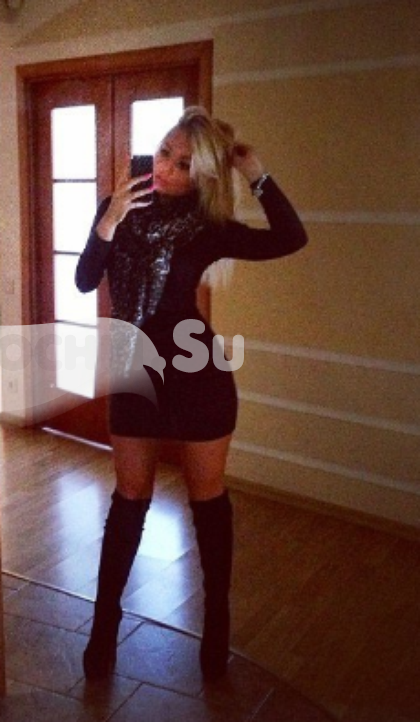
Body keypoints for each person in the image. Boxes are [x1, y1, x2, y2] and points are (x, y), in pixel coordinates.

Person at [75, 105, 308, 683]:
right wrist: (110, 219)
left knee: (207, 504)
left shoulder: (207, 225)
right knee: (129, 500)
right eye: (164, 153)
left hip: (196, 373)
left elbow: (290, 238)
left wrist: (254, 172)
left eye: (184, 164)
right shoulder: (116, 208)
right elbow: (84, 279)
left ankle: (217, 625)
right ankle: (104, 629)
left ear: (203, 174)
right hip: (134, 373)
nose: (166, 169)